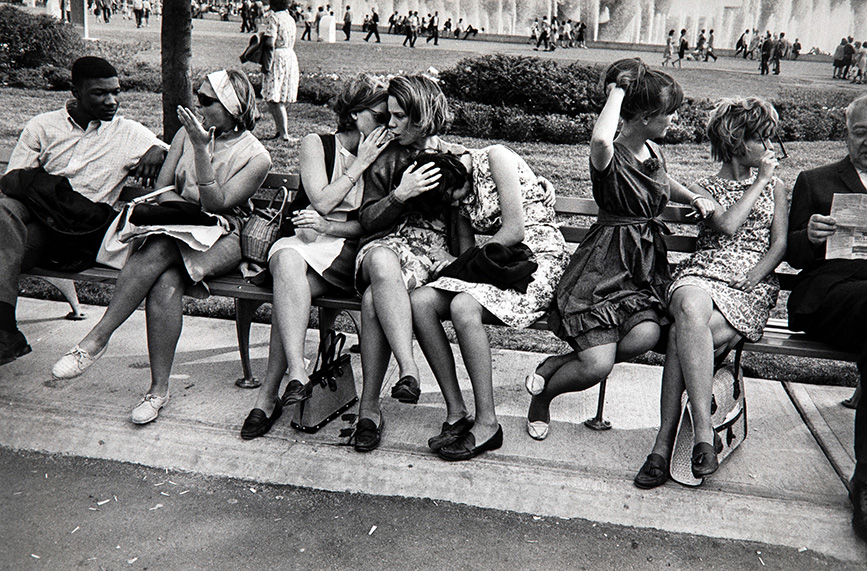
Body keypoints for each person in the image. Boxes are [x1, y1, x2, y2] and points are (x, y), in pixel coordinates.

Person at [51, 70, 271, 426]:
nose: (197, 106)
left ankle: (96, 339)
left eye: (207, 100)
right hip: (177, 229)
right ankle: (157, 391)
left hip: (226, 237)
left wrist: (201, 150)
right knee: (166, 280)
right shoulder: (186, 133)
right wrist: (185, 209)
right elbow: (163, 187)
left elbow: (216, 205)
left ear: (234, 107)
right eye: (198, 97)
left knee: (163, 248)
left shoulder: (256, 156)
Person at [525, 59, 715, 443]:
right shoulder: (607, 156)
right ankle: (544, 395)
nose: (673, 120)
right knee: (597, 366)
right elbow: (599, 139)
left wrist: (693, 195)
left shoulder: (652, 152)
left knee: (645, 336)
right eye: (668, 113)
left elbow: (664, 181)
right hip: (603, 268)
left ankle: (556, 365)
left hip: (640, 269)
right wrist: (620, 89)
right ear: (644, 117)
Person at [634, 97, 788, 488]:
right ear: (738, 142)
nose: (770, 148)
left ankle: (663, 442)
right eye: (763, 139)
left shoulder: (779, 188)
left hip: (745, 285)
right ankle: (704, 433)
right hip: (704, 273)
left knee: (680, 336)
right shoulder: (703, 187)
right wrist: (760, 183)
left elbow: (779, 245)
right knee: (688, 302)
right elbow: (728, 226)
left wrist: (757, 274)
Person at [240, 75, 391, 439]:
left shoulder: (384, 156)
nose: (389, 125)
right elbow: (321, 199)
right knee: (289, 271)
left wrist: (329, 227)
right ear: (355, 115)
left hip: (344, 250)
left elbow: (365, 225)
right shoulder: (317, 144)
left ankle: (269, 394)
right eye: (381, 116)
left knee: (288, 287)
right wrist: (359, 164)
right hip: (304, 244)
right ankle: (296, 373)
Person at [0, 56, 166, 366]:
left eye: (115, 92)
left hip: (76, 233)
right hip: (36, 220)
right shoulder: (43, 125)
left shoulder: (128, 132)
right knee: (3, 212)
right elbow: (14, 181)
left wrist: (159, 147)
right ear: (75, 91)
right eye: (100, 93)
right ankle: (4, 331)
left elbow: (176, 157)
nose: (111, 101)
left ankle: (5, 332)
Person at [411, 145, 568, 460]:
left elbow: (515, 229)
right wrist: (456, 259)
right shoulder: (454, 191)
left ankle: (487, 425)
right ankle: (457, 413)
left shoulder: (497, 158)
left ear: (455, 170)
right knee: (420, 302)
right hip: (498, 263)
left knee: (463, 306)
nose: (456, 203)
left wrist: (462, 261)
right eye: (449, 202)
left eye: (454, 196)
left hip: (538, 261)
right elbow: (469, 250)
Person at [349, 75, 466, 453]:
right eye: (389, 116)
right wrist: (400, 195)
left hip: (427, 257)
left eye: (400, 117)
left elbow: (491, 195)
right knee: (382, 262)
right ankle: (408, 368)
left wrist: (539, 185)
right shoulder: (386, 158)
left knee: (372, 301)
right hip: (381, 247)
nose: (391, 123)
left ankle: (369, 410)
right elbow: (367, 220)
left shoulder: (456, 157)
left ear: (423, 116)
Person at [785, 94, 867, 543]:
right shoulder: (815, 180)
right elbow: (794, 256)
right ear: (847, 133)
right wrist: (811, 235)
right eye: (861, 132)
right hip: (829, 294)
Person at [261, 0, 299, 142]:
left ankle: (284, 133)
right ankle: (280, 131)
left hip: (277, 57)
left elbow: (270, 42)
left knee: (275, 96)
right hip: (289, 55)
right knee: (277, 96)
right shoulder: (290, 18)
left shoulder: (274, 18)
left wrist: (266, 62)